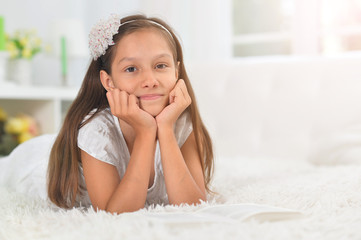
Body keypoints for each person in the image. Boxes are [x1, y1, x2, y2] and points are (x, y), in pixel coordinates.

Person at [46, 14, 214, 213]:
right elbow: (117, 215)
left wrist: (166, 130)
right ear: (109, 81)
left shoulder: (180, 124)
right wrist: (145, 133)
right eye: (131, 68)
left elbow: (194, 208)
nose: (150, 80)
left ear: (176, 72)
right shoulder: (96, 131)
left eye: (160, 66)